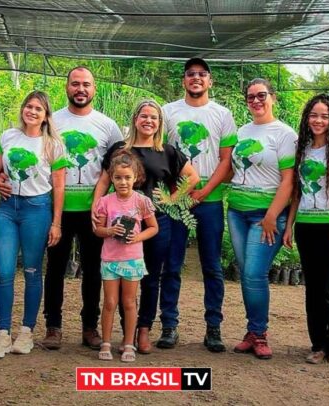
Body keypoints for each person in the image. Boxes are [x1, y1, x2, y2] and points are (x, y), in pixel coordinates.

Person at [0, 66, 123, 350]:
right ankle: (52, 326)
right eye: (75, 84)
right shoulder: (52, 122)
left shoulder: (107, 125)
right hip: (56, 209)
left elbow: (119, 165)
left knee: (93, 269)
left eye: (86, 84)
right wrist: (1, 176)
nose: (81, 89)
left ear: (94, 89)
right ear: (66, 87)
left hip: (94, 211)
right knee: (54, 268)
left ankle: (89, 327)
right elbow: (25, 151)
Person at [93, 99, 199, 353]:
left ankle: (143, 330)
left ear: (159, 123)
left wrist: (172, 199)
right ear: (135, 119)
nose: (148, 120)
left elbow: (193, 177)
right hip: (121, 225)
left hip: (154, 222)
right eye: (144, 116)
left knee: (151, 277)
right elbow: (104, 181)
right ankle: (125, 331)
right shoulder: (120, 149)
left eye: (154, 117)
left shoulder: (168, 152)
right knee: (120, 278)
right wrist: (96, 211)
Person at [160, 57, 237, 351]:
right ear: (183, 80)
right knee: (172, 264)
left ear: (210, 81)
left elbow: (226, 159)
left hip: (210, 201)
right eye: (190, 74)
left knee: (212, 266)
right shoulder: (168, 112)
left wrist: (204, 193)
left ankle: (213, 327)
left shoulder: (222, 114)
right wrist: (174, 193)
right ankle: (169, 325)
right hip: (175, 201)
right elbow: (161, 153)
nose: (196, 78)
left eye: (202, 74)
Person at [0, 90, 67, 358]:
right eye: (28, 107)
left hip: (37, 209)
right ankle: (2, 333)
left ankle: (27, 331)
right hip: (8, 208)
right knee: (5, 272)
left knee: (32, 270)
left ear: (45, 116)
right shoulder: (8, 136)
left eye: (38, 109)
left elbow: (59, 186)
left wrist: (56, 223)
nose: (32, 112)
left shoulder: (53, 144)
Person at [283, 93, 329, 365]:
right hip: (306, 227)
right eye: (314, 115)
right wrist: (289, 225)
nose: (318, 120)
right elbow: (297, 194)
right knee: (311, 287)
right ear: (307, 118)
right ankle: (317, 344)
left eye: (324, 116)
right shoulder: (301, 148)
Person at [228, 78, 297, 359]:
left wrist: (271, 216)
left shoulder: (284, 134)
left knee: (255, 274)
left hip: (266, 217)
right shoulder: (241, 132)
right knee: (247, 275)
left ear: (273, 97)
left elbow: (289, 181)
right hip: (236, 212)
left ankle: (260, 333)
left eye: (261, 95)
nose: (256, 101)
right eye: (250, 97)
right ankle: (252, 330)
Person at [94, 150, 158, 362]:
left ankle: (128, 343)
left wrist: (138, 237)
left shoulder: (141, 201)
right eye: (118, 178)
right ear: (111, 178)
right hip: (110, 260)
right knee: (110, 302)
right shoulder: (105, 201)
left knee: (129, 302)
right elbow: (98, 230)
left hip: (132, 260)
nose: (123, 182)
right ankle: (106, 342)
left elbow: (153, 228)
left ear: (136, 177)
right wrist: (109, 231)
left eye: (127, 177)